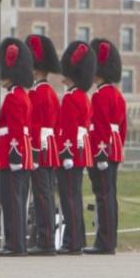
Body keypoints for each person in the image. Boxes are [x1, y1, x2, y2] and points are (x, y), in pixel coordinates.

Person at [85, 38, 128, 256]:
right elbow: (122, 129)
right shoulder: (118, 95)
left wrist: (100, 154)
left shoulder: (100, 96)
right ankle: (109, 240)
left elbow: (99, 128)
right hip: (114, 149)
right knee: (109, 195)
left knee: (103, 196)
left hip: (102, 150)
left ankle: (104, 242)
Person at [0, 38, 34, 257]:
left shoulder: (14, 97)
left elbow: (17, 130)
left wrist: (15, 156)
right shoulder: (20, 95)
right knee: (15, 200)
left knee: (14, 201)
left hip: (14, 156)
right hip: (16, 154)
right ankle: (14, 241)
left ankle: (16, 243)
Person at [56, 41, 94, 255]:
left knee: (69, 197)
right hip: (80, 151)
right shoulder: (82, 96)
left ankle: (72, 241)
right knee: (75, 197)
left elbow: (68, 130)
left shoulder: (71, 97)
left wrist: (66, 154)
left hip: (71, 152)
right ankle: (77, 239)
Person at [25, 34, 61, 256]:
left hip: (40, 148)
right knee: (45, 193)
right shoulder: (51, 93)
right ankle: (44, 237)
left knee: (42, 195)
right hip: (50, 147)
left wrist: (33, 151)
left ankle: (45, 239)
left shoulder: (38, 93)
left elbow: (35, 125)